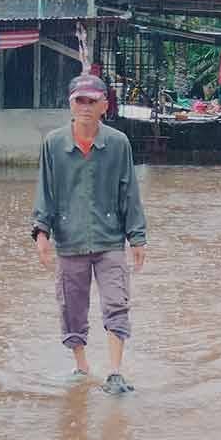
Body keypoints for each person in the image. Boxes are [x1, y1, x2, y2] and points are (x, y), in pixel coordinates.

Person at [31, 73, 148, 395]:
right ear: (70, 104)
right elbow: (46, 192)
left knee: (116, 302)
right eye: (79, 100)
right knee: (71, 306)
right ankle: (82, 367)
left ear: (104, 106)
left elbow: (130, 192)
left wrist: (137, 237)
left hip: (110, 238)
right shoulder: (54, 144)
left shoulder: (117, 144)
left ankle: (115, 372)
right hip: (69, 240)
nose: (85, 107)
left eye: (91, 101)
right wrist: (42, 234)